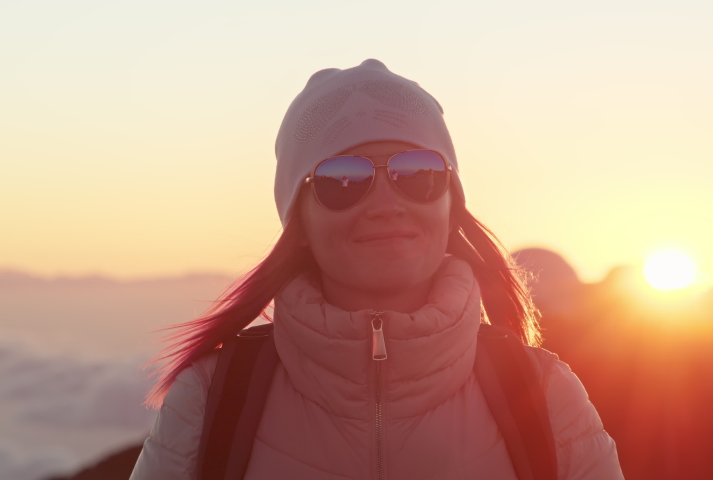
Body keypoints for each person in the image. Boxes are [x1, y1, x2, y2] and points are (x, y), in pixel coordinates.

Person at [130, 59, 623, 480]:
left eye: (418, 174)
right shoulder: (213, 400)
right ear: (298, 221)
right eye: (342, 180)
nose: (387, 203)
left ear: (452, 203)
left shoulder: (545, 396)